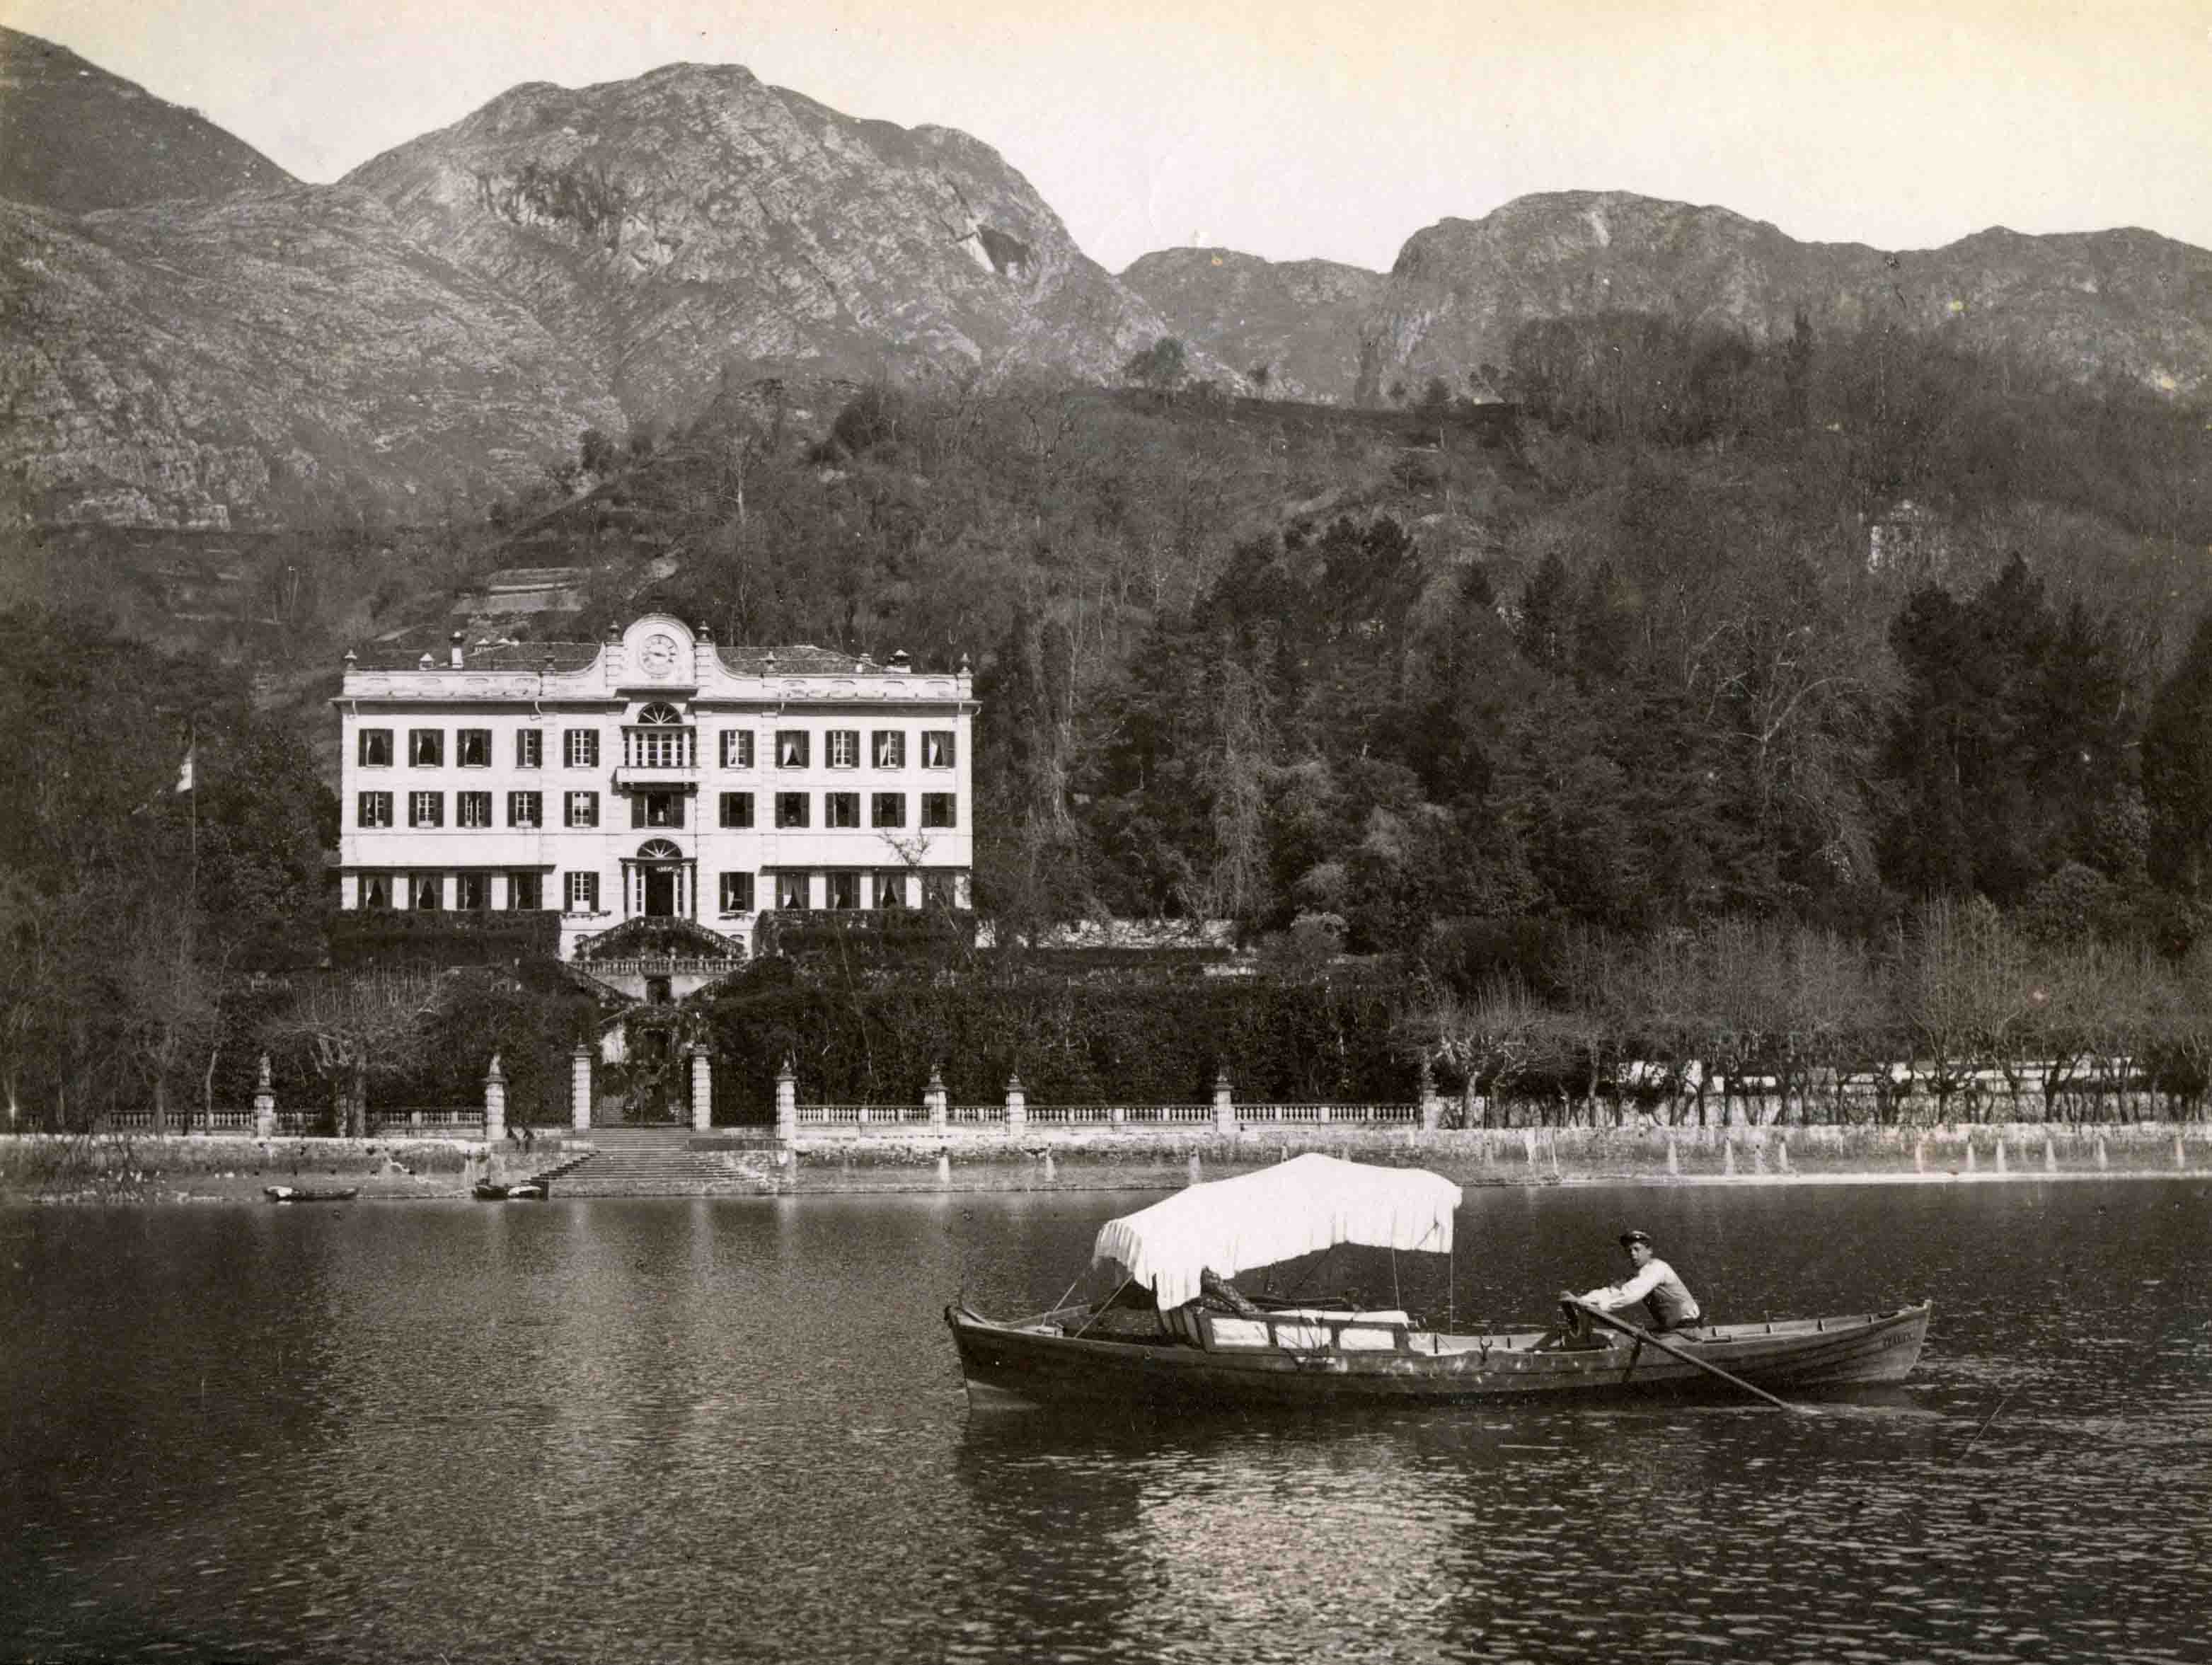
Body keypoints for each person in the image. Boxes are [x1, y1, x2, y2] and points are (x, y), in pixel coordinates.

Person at [1574, 1229, 1702, 1335]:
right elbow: (1613, 1291)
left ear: (1649, 1251)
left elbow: (1630, 1295)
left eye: (1637, 1249)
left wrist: (1598, 1308)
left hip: (1687, 1330)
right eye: (1629, 1251)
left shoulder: (1657, 1269)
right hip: (1670, 1329)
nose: (1633, 1254)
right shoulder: (1638, 1275)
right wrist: (1581, 1300)